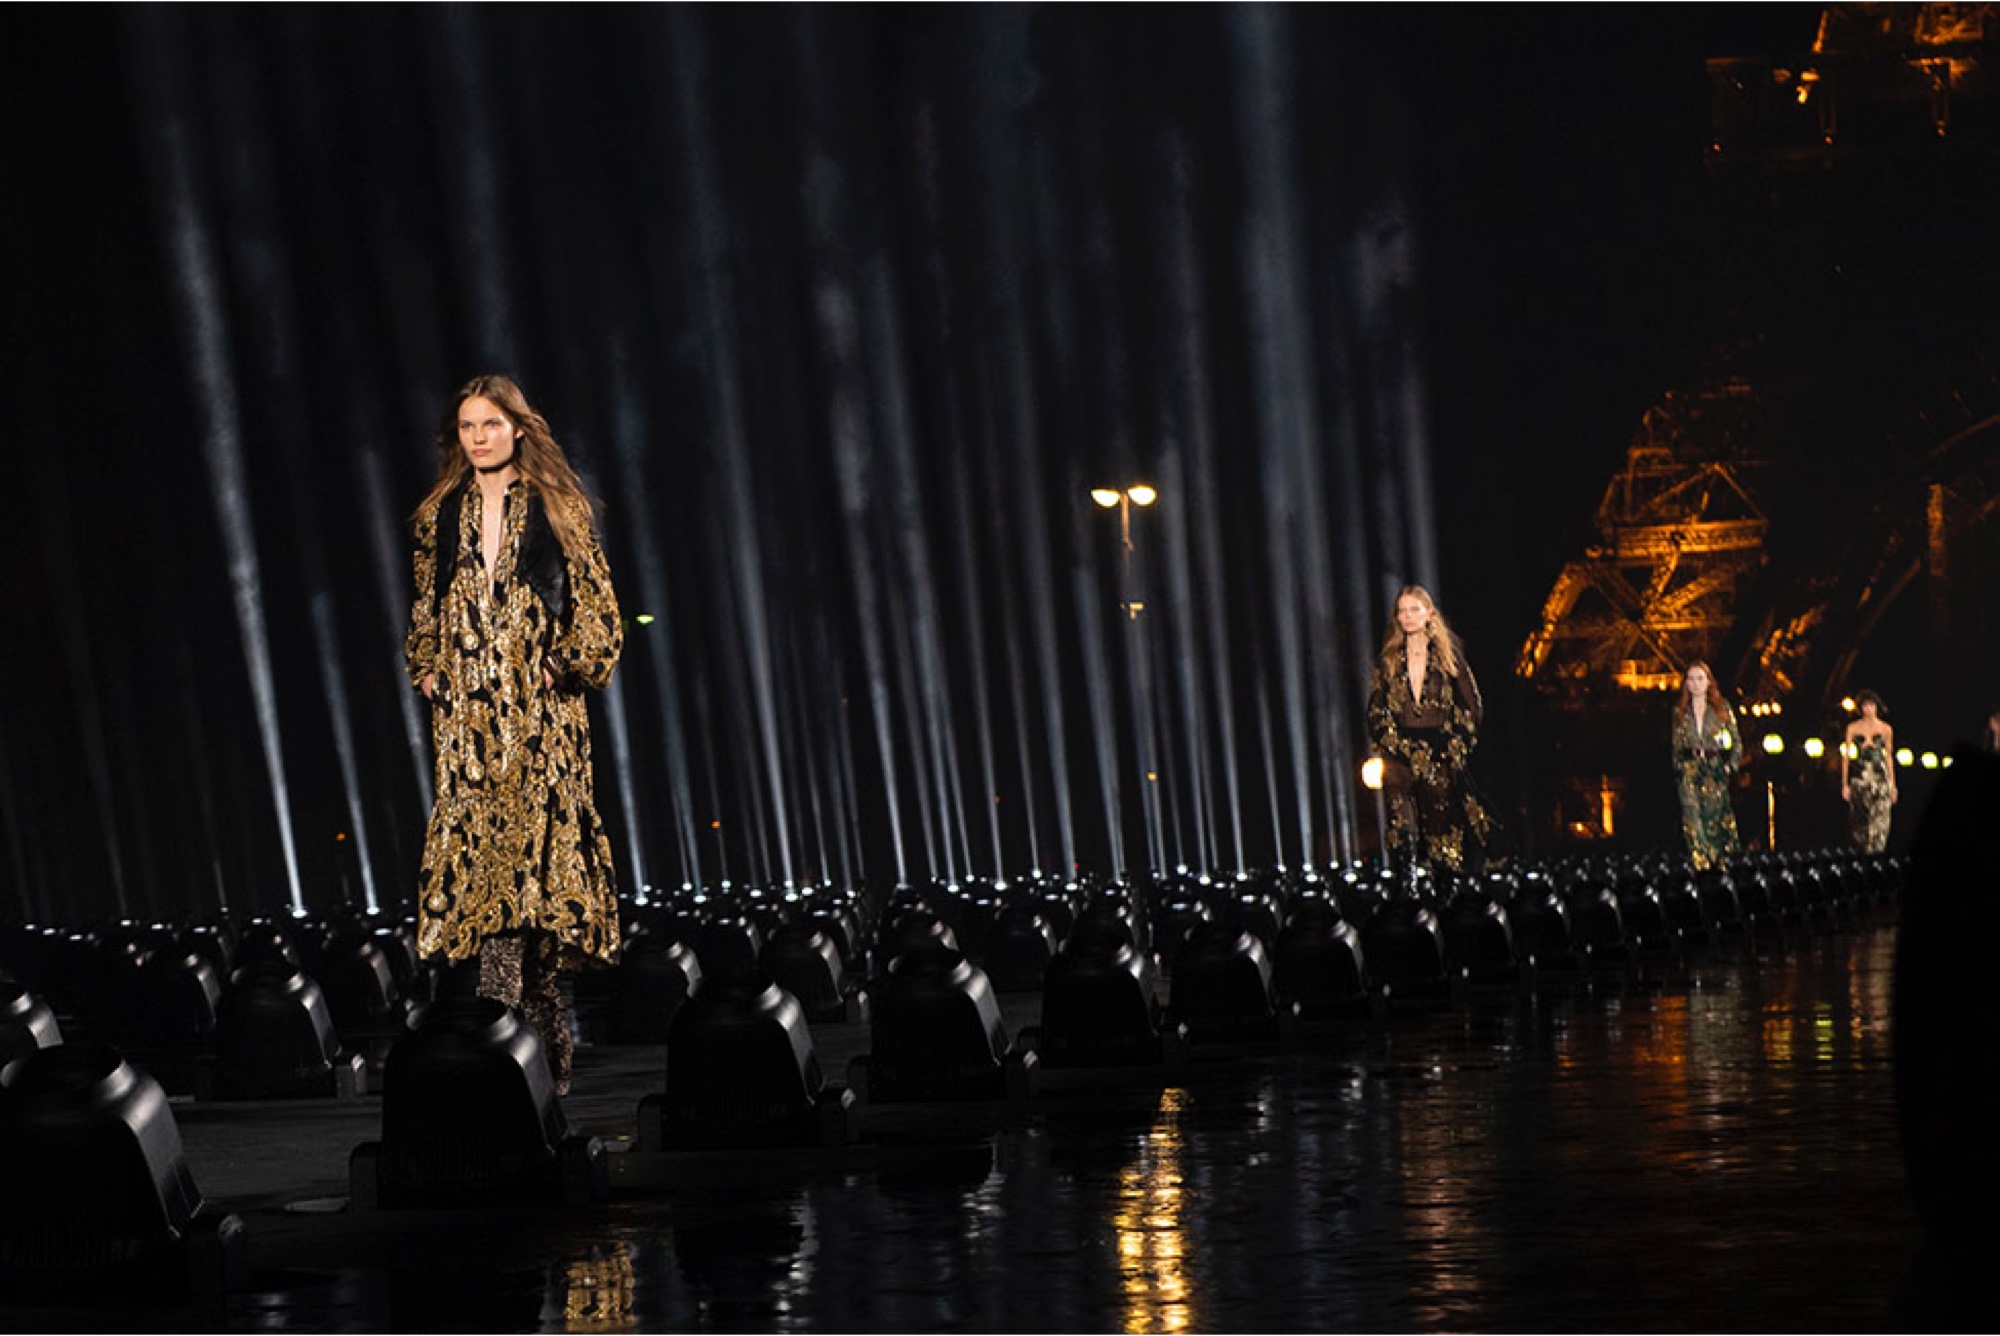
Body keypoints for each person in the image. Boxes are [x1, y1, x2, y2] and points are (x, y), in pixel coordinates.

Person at [404, 373, 624, 1095]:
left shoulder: (558, 508)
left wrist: (569, 664)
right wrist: (429, 667)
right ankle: (532, 1043)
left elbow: (598, 605)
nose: (478, 437)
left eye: (490, 425)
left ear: (519, 429)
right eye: (468, 426)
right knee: (494, 882)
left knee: (536, 879)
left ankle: (524, 1039)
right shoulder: (440, 515)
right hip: (470, 730)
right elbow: (426, 608)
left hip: (539, 724)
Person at [1365, 584, 1494, 873]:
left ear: (1430, 614)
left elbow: (1472, 705)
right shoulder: (1387, 661)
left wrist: (1455, 743)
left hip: (1438, 753)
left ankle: (1444, 894)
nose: (1407, 616)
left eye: (1414, 609)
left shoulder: (1449, 659)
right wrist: (1391, 741)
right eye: (1402, 611)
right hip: (1398, 754)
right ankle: (1406, 893)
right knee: (1401, 827)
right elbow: (1375, 709)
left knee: (1441, 830)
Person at [1670, 661, 1741, 870]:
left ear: (1709, 681)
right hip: (1689, 768)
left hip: (1714, 767)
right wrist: (1679, 770)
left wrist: (1731, 766)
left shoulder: (1722, 708)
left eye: (1700, 678)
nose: (1696, 683)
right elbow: (1675, 745)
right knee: (1692, 819)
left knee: (1713, 819)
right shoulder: (1679, 711)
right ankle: (1700, 866)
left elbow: (1737, 741)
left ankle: (1717, 866)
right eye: (1691, 679)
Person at [1841, 690, 1896, 854]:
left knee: (1880, 821)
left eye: (1871, 705)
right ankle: (1862, 859)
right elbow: (1846, 757)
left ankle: (1876, 857)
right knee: (1860, 821)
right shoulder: (1853, 728)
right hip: (1860, 777)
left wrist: (1893, 785)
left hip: (1880, 777)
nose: (1868, 709)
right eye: (1865, 705)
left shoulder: (1886, 729)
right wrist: (1844, 784)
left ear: (1876, 707)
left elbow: (1888, 758)